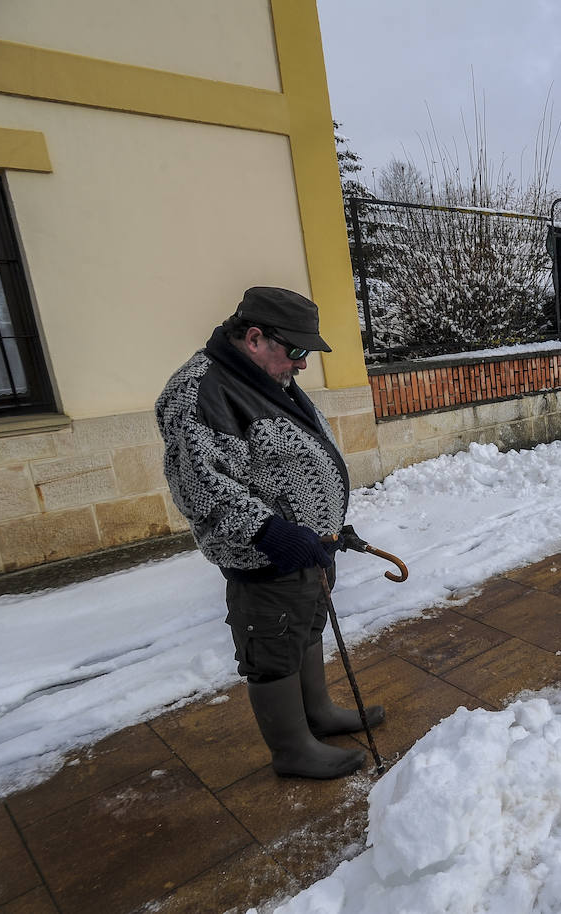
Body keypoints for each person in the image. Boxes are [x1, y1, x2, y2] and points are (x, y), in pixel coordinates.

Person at [155, 286, 384, 780]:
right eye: (297, 351)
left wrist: (327, 523)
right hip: (264, 559)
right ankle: (292, 748)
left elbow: (289, 458)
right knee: (273, 645)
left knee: (305, 626)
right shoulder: (199, 391)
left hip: (306, 551)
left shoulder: (261, 376)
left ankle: (316, 712)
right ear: (255, 337)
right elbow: (202, 487)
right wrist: (271, 533)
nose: (303, 364)